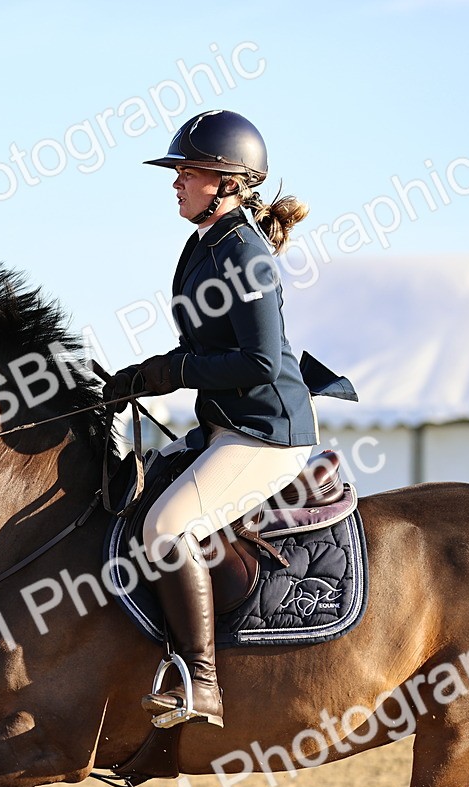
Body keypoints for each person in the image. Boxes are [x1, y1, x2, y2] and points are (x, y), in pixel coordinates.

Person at [104, 109, 319, 728]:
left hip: (265, 432)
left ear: (228, 182)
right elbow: (207, 347)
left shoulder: (244, 253)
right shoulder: (205, 244)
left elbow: (255, 360)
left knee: (168, 527)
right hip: (226, 423)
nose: (175, 181)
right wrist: (145, 372)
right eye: (177, 171)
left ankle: (202, 684)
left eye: (188, 172)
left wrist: (174, 374)